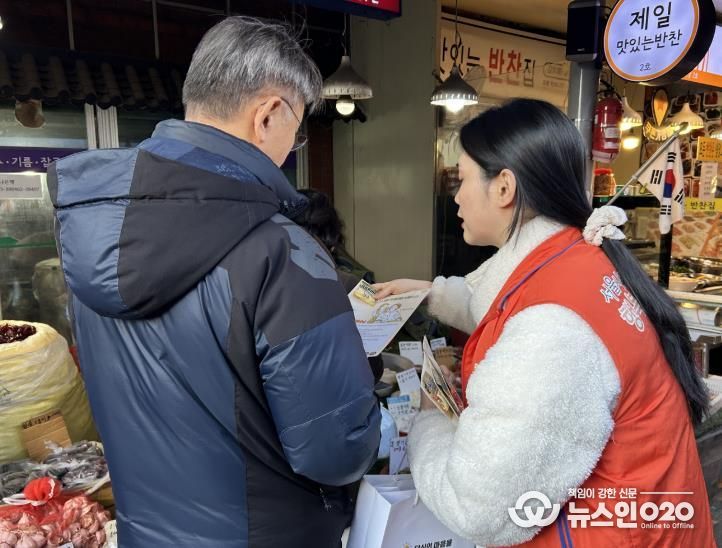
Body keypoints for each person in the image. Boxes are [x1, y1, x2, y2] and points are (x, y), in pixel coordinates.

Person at [47, 17, 380, 548]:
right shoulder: (284, 254)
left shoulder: (93, 236)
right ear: (269, 114)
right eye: (297, 129)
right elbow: (336, 450)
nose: (293, 146)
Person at [374, 98, 714, 547]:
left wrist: (429, 420)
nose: (455, 195)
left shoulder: (552, 332)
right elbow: (506, 302)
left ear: (504, 188)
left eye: (463, 178)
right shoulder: (576, 256)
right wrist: (431, 294)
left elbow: (475, 506)